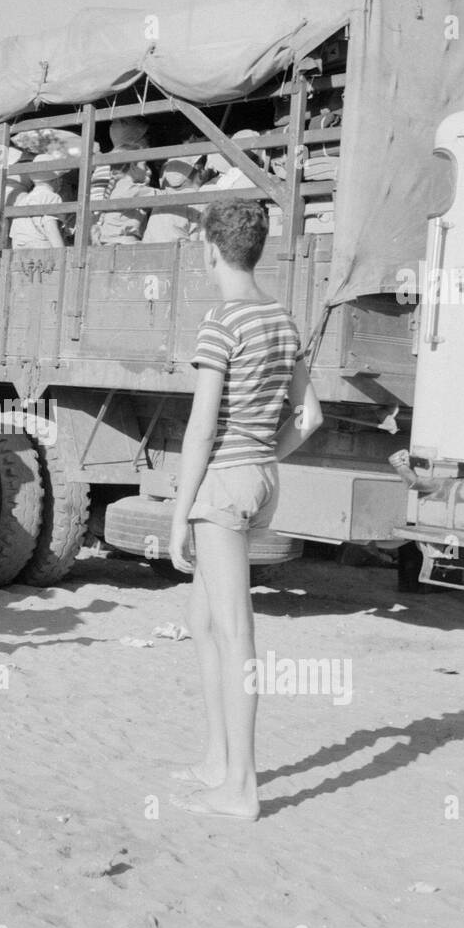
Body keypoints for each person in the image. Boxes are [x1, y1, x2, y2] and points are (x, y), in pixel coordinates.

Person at [167, 203, 322, 821]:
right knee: (205, 623)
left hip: (223, 486)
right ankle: (216, 762)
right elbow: (310, 417)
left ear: (210, 248)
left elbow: (201, 429)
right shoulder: (282, 320)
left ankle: (243, 789)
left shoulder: (220, 323)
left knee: (234, 633)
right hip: (260, 479)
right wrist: (263, 455)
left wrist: (179, 514)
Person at [8, 159, 66, 249]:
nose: (62, 181)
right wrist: (62, 253)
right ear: (55, 180)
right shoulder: (52, 197)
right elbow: (50, 228)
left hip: (18, 248)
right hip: (40, 248)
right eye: (60, 178)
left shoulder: (24, 200)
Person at [93, 159, 153, 244]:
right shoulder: (131, 188)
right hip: (122, 241)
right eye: (145, 165)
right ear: (133, 167)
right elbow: (165, 195)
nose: (148, 170)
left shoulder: (118, 186)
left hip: (109, 241)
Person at [144, 158, 204, 243]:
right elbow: (195, 236)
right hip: (179, 251)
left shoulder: (160, 199)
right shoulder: (194, 197)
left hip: (149, 250)